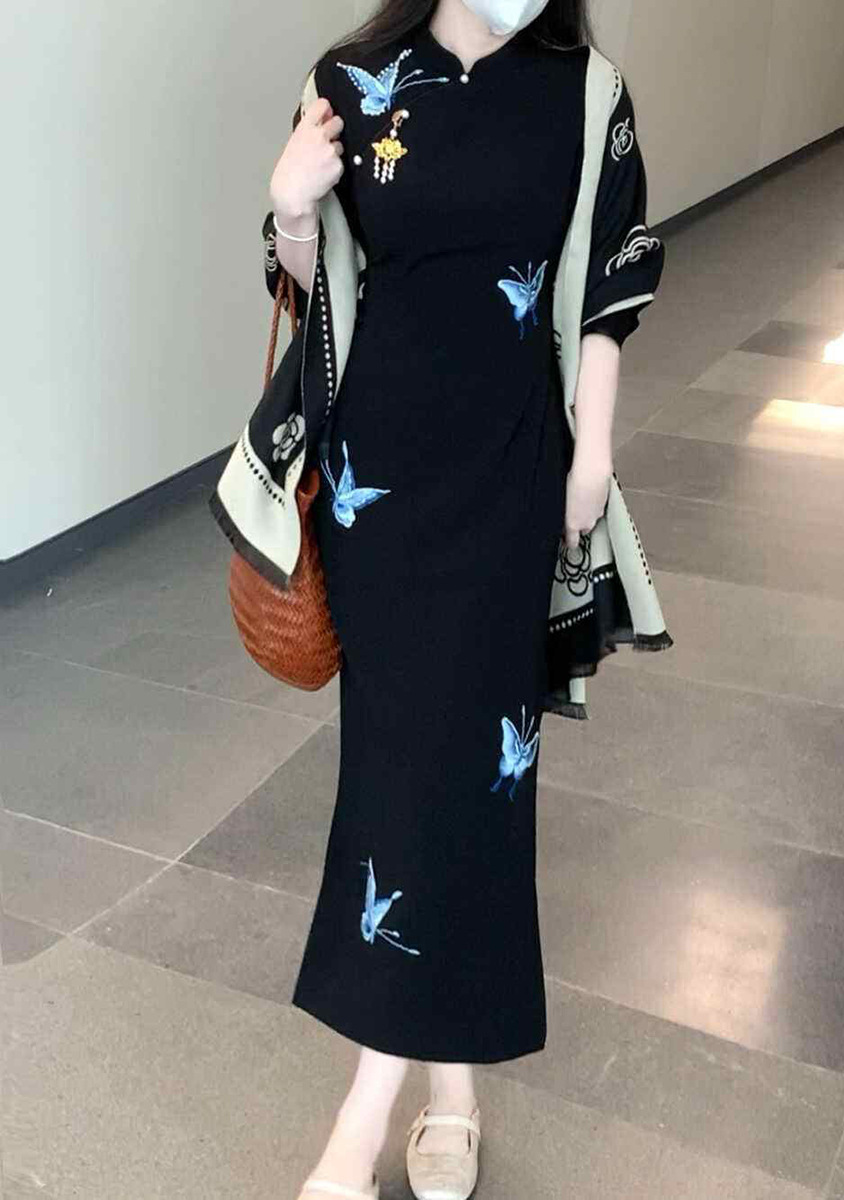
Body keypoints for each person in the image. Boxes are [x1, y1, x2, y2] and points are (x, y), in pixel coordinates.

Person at [258, 1, 667, 1197]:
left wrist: (594, 456)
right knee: (401, 771)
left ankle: (362, 1121)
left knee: (477, 779)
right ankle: (452, 1093)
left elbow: (608, 285)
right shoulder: (350, 79)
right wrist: (292, 208)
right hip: (377, 489)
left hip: (510, 478)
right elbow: (316, 291)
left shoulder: (585, 94)